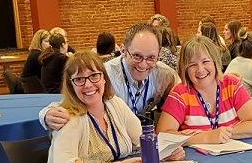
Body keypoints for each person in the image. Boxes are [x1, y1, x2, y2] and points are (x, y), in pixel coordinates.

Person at [38, 51, 141, 163]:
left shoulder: (115, 104)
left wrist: (165, 151)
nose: (88, 85)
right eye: (79, 79)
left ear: (104, 78)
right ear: (71, 85)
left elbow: (142, 139)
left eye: (94, 76)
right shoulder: (69, 117)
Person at [41, 23, 178, 130]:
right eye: (137, 56)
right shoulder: (106, 75)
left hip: (140, 137)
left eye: (151, 58)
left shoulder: (166, 76)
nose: (143, 65)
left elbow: (185, 99)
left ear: (159, 56)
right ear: (123, 50)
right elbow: (70, 101)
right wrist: (47, 115)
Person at [156, 35, 252, 145]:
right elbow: (162, 136)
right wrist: (206, 137)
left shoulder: (231, 85)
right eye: (192, 65)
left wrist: (220, 134)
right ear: (185, 69)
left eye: (205, 61)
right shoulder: (180, 93)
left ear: (215, 62)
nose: (200, 70)